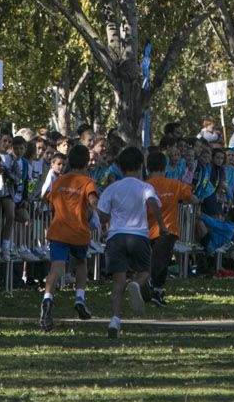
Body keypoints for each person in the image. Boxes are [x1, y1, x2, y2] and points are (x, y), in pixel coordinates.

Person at [96, 146, 160, 339]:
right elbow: (154, 203)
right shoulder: (145, 187)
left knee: (117, 283)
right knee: (146, 271)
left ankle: (115, 320)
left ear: (120, 167)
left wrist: (106, 224)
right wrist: (160, 222)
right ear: (141, 166)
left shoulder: (112, 188)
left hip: (116, 236)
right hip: (138, 235)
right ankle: (137, 284)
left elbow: (102, 213)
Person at [41, 144, 99, 330]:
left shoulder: (58, 181)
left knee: (56, 268)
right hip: (78, 231)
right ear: (86, 163)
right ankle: (80, 298)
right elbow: (93, 201)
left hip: (58, 230)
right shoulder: (87, 182)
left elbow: (49, 201)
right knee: (81, 263)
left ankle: (47, 300)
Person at [146, 148, 195, 307]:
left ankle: (149, 287)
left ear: (147, 168)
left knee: (150, 261)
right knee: (162, 262)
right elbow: (191, 197)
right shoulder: (174, 184)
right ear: (165, 166)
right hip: (168, 229)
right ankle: (157, 291)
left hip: (146, 231)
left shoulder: (143, 185)